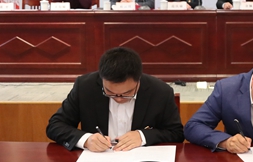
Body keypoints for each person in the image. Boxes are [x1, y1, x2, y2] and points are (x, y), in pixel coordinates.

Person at [46, 47, 184, 151]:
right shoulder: (85, 86)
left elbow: (176, 133)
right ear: (102, 79)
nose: (118, 99)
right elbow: (55, 126)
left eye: (127, 93)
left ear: (138, 80)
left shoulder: (160, 91)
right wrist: (86, 140)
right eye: (110, 92)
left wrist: (143, 136)